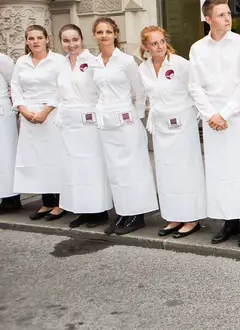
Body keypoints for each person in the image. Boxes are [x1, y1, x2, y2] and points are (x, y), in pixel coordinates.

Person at [189, 0, 240, 248]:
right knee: (219, 172)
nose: (228, 18)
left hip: (236, 117)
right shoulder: (198, 48)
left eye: (228, 13)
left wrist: (225, 114)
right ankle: (228, 221)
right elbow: (195, 86)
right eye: (221, 15)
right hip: (212, 120)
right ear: (208, 19)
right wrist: (211, 115)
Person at [92, 17, 159, 235]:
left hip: (126, 122)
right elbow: (97, 92)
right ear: (94, 35)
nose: (104, 35)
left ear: (115, 34)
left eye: (108, 31)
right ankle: (123, 212)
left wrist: (135, 117)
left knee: (132, 169)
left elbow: (139, 92)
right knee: (115, 171)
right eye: (100, 32)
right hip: (106, 124)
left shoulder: (126, 61)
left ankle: (136, 215)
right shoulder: (94, 62)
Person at [140, 26, 206, 239]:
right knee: (166, 171)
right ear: (146, 47)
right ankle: (174, 216)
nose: (160, 46)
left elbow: (196, 89)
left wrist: (194, 117)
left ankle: (191, 218)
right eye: (154, 43)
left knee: (185, 171)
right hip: (161, 126)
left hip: (182, 126)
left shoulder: (180, 64)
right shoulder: (143, 68)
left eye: (162, 41)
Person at [56, 24, 112, 228]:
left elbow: (102, 91)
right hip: (68, 123)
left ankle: (98, 211)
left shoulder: (92, 62)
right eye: (66, 41)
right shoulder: (61, 64)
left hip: (89, 123)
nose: (71, 44)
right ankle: (82, 209)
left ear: (82, 39)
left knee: (91, 167)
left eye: (75, 40)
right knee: (74, 167)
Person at [11, 25, 66, 220]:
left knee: (54, 159)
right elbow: (15, 88)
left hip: (51, 115)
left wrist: (45, 111)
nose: (35, 41)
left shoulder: (58, 61)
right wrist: (23, 111)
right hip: (29, 116)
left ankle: (60, 203)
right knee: (36, 160)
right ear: (26, 41)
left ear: (47, 39)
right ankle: (46, 201)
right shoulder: (22, 62)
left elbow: (61, 88)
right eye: (31, 38)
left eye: (39, 38)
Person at [0, 51, 20, 214]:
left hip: (2, 113)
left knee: (6, 155)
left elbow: (15, 84)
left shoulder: (2, 60)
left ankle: (11, 197)